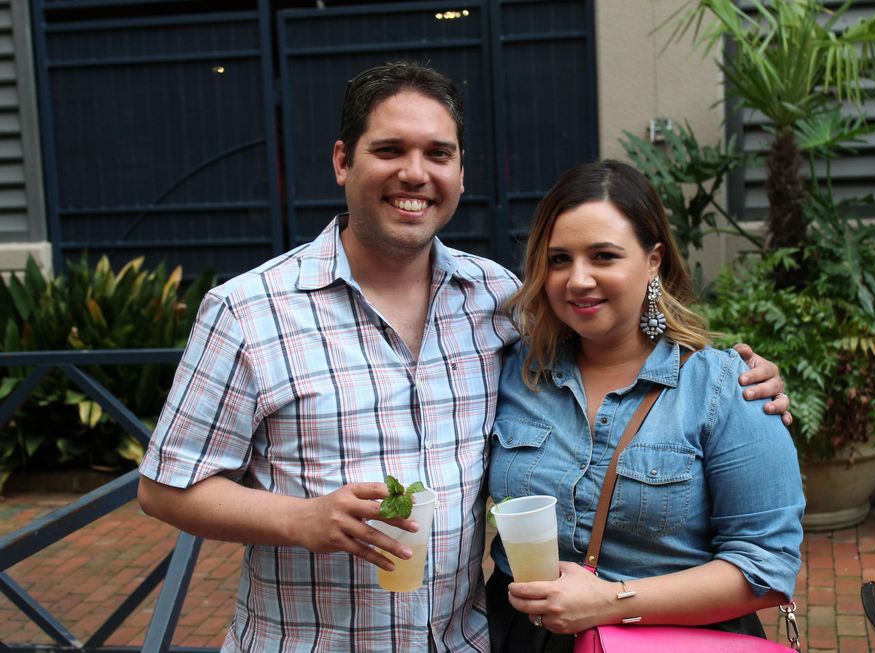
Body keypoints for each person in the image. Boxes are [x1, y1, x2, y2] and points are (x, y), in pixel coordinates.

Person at [137, 61, 791, 652]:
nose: (414, 172)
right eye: (389, 149)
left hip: (466, 642)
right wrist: (304, 517)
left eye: (437, 153)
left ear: (460, 170)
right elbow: (165, 486)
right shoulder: (247, 311)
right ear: (342, 161)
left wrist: (743, 379)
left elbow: (624, 338)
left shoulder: (496, 303)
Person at [485, 160, 805, 653]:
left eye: (604, 256)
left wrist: (610, 600)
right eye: (559, 259)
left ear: (654, 260)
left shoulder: (723, 390)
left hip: (672, 641)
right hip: (519, 639)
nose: (578, 279)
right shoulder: (512, 372)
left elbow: (767, 568)